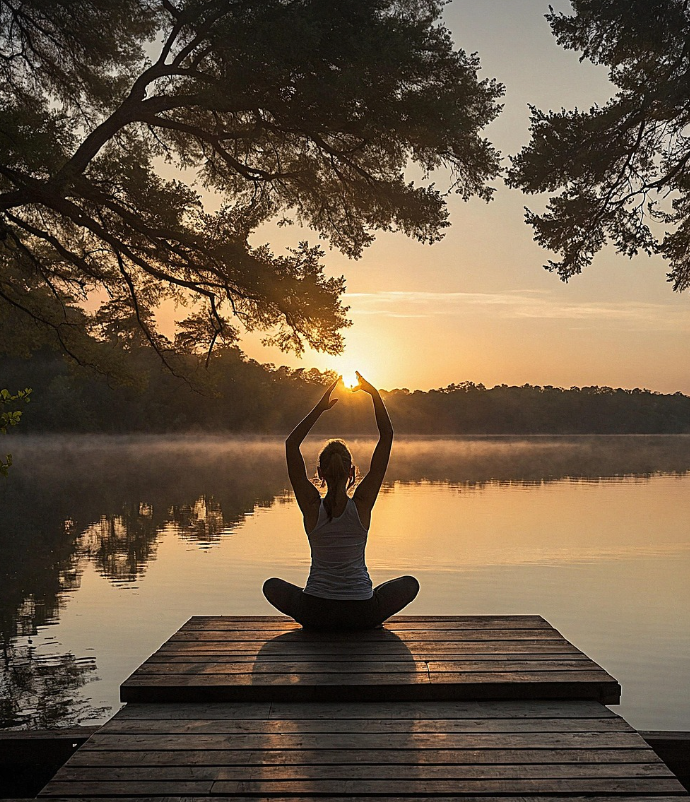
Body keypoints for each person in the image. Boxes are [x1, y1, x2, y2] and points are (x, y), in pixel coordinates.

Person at [263, 372, 419, 630]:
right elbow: (387, 435)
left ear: (320, 473)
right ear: (352, 473)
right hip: (361, 614)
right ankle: (362, 608)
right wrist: (374, 395)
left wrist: (319, 409)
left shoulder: (312, 506)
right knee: (409, 584)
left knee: (271, 586)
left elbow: (291, 445)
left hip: (315, 613)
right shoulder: (361, 505)